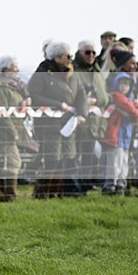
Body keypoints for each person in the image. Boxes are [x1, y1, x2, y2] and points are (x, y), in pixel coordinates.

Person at [27, 41, 87, 199]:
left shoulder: (72, 74)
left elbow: (82, 95)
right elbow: (34, 95)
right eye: (67, 56)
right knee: (51, 160)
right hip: (50, 126)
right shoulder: (42, 73)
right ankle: (42, 194)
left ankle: (56, 193)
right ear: (57, 57)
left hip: (69, 125)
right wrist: (58, 105)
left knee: (65, 158)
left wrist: (82, 113)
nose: (70, 59)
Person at [0, 55, 31, 202]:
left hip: (15, 129)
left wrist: (26, 98)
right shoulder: (2, 87)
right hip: (5, 132)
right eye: (14, 68)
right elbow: (2, 113)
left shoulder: (16, 86)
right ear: (5, 69)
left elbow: (24, 95)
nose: (17, 71)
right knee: (12, 162)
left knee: (7, 163)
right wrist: (13, 132)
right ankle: (8, 195)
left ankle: (4, 193)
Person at [72, 40, 110, 192]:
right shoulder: (74, 70)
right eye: (87, 52)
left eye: (94, 52)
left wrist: (103, 99)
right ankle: (74, 186)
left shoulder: (97, 71)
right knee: (76, 155)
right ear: (80, 53)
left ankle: (85, 184)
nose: (91, 55)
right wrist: (82, 101)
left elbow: (104, 94)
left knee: (89, 154)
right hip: (78, 121)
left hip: (94, 122)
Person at [101, 73, 138, 195]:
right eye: (122, 83)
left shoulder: (129, 99)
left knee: (123, 162)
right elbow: (130, 108)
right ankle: (110, 186)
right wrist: (136, 111)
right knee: (114, 163)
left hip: (125, 138)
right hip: (115, 137)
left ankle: (120, 185)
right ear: (116, 84)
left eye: (127, 84)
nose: (124, 87)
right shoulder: (116, 95)